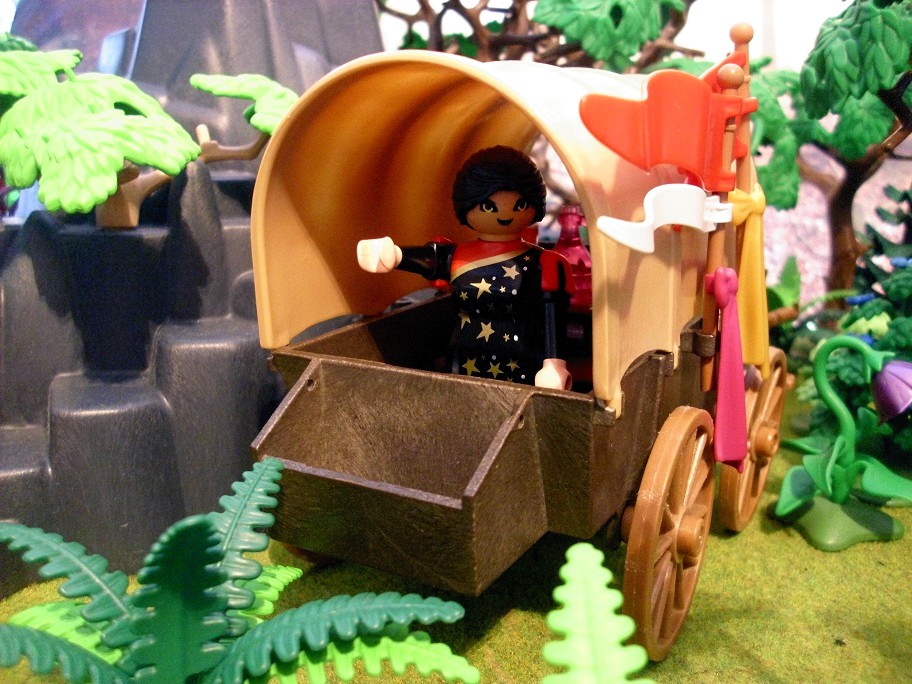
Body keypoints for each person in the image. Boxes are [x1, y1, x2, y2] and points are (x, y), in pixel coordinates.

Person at [357, 145, 574, 389]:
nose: (505, 214)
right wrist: (393, 254)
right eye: (489, 206)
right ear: (467, 204)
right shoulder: (456, 256)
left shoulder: (544, 262)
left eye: (520, 204)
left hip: (522, 365)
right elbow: (427, 259)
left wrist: (554, 364)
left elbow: (552, 317)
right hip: (465, 363)